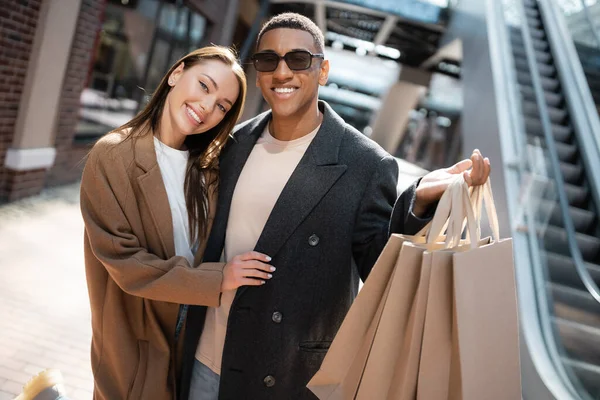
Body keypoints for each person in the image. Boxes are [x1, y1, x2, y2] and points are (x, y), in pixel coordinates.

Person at [179, 13, 491, 400]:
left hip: (286, 373)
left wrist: (419, 198)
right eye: (268, 60)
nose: (282, 72)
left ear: (322, 70)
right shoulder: (233, 144)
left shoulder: (365, 164)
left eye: (298, 59)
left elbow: (379, 266)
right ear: (257, 73)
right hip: (205, 358)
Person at [80, 46, 275, 400]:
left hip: (191, 342)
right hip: (134, 345)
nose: (207, 106)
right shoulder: (113, 156)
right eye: (204, 85)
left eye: (222, 106)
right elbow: (126, 264)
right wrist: (221, 277)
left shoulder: (207, 171)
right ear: (175, 74)